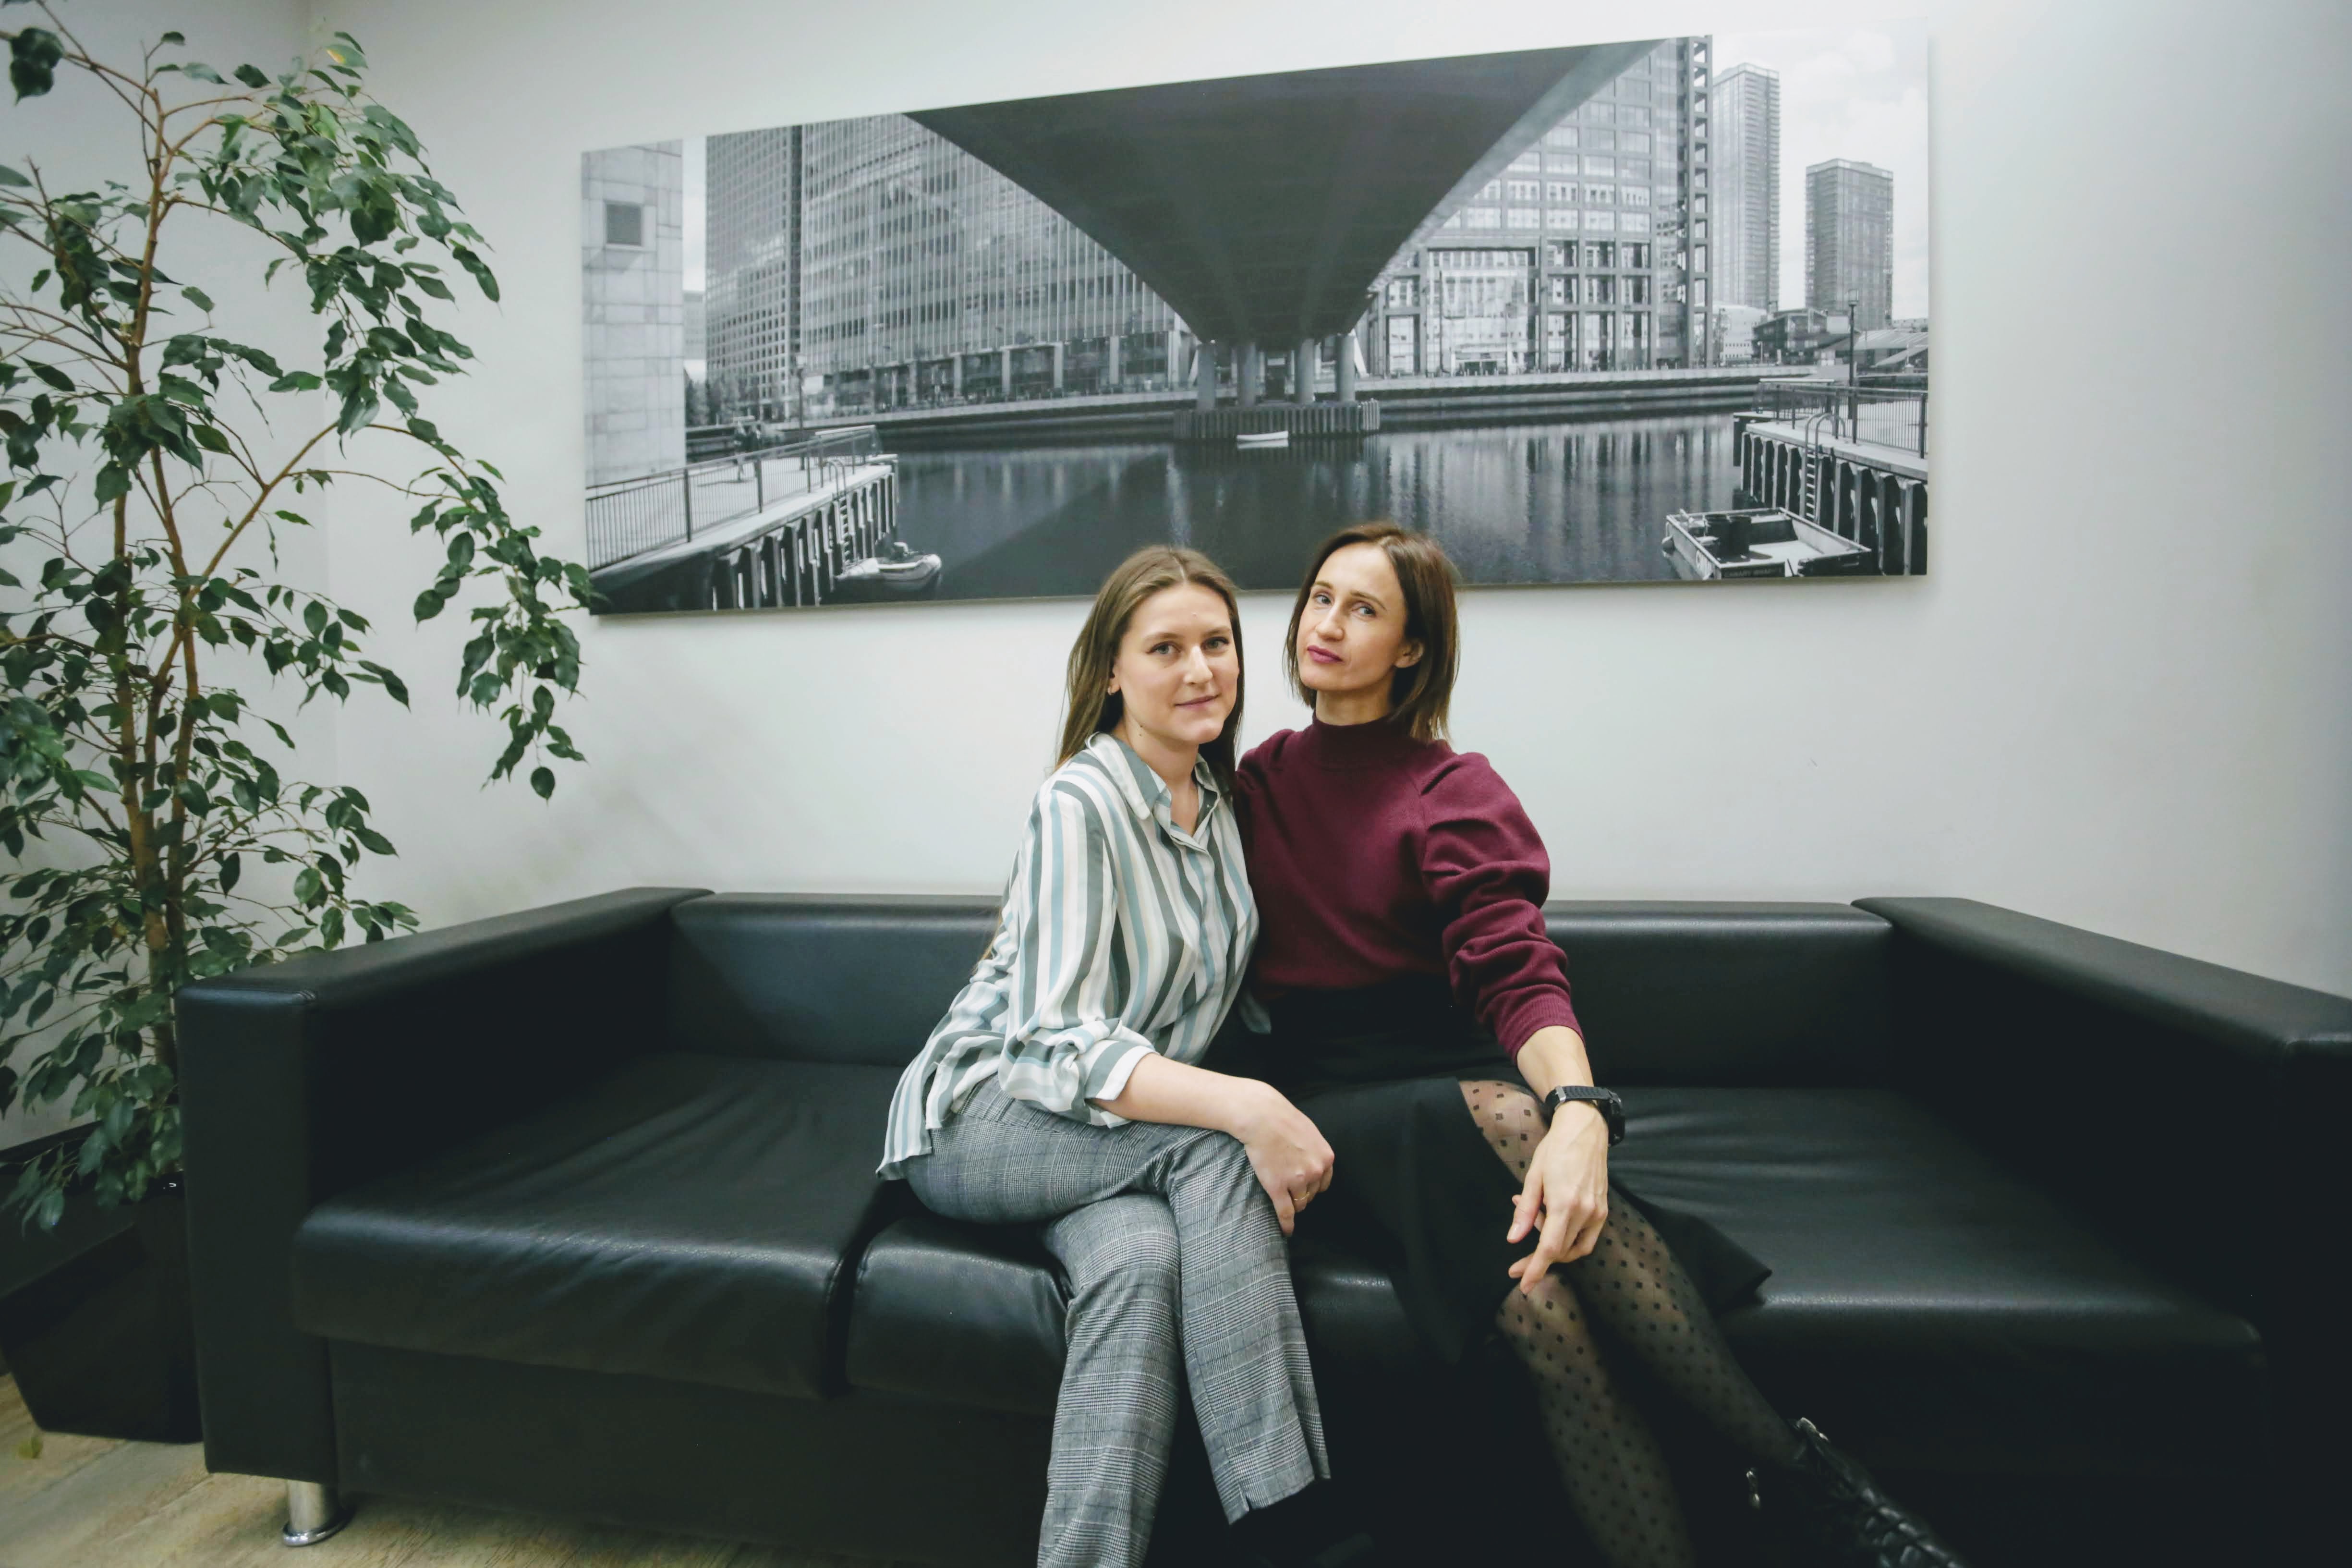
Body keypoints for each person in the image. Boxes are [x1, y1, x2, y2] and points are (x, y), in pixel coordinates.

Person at [1228, 522, 1967, 1568]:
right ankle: (1816, 1484)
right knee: (1504, 1119)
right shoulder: (1255, 783)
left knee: (1547, 1318)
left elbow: (1513, 964)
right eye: (1320, 598)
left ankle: (1780, 1501)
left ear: (1411, 646)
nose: (1328, 624)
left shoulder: (1451, 790)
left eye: (1364, 608)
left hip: (1441, 1098)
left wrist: (1577, 1108)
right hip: (1320, 1111)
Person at [879, 546, 1359, 1568]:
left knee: (1141, 1262)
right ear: (1111, 670)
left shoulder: (1220, 808)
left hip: (1096, 1138)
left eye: (1217, 643)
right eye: (1165, 648)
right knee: (1217, 1146)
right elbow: (1052, 1040)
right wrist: (1247, 1108)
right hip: (980, 1114)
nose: (1200, 670)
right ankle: (1286, 1520)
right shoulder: (1080, 801)